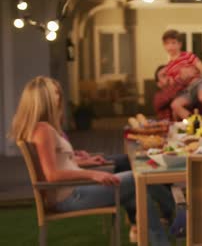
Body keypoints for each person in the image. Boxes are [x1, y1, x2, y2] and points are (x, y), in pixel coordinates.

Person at [8, 76, 172, 246]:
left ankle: (162, 239)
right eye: (54, 93)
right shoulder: (43, 131)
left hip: (75, 190)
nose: (59, 97)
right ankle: (175, 213)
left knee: (138, 195)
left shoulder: (42, 128)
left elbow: (60, 162)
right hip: (71, 196)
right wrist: (94, 174)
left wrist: (85, 163)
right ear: (44, 98)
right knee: (140, 176)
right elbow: (51, 175)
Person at [161, 29, 202, 121]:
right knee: (175, 105)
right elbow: (175, 85)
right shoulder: (169, 67)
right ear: (164, 46)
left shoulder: (188, 56)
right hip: (186, 91)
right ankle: (195, 122)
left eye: (173, 43)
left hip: (198, 84)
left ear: (179, 44)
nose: (170, 46)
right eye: (167, 43)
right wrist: (180, 79)